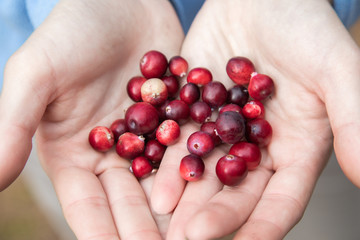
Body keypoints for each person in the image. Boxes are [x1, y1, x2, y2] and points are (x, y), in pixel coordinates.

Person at [0, 0, 360, 240]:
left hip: (299, 112)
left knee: (322, 214)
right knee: (90, 202)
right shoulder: (143, 120)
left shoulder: (239, 115)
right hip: (71, 95)